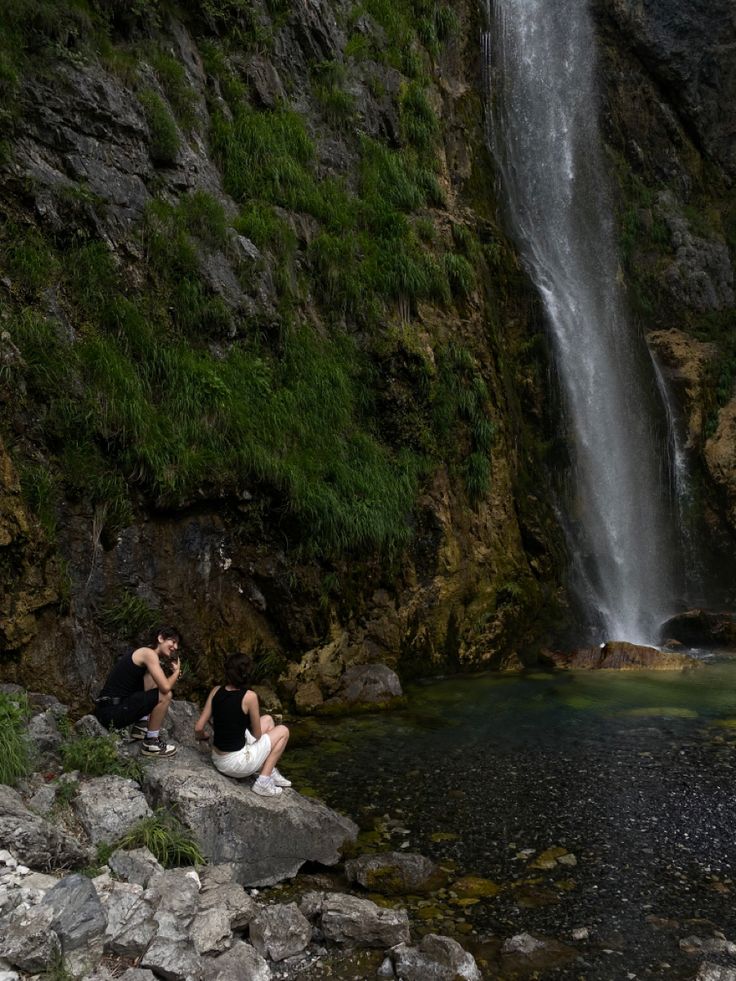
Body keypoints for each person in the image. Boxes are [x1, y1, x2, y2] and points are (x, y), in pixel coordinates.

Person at [194, 652, 290, 797]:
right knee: (283, 730)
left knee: (269, 720)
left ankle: (269, 769)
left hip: (217, 758)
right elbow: (257, 735)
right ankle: (263, 781)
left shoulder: (216, 691)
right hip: (236, 764)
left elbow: (198, 728)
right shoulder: (249, 696)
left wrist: (204, 736)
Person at [94, 625, 182, 758]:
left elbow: (157, 682)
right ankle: (151, 742)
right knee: (166, 695)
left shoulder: (145, 655)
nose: (175, 647)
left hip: (107, 710)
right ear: (160, 638)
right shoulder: (148, 654)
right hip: (112, 713)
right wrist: (176, 673)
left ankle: (141, 725)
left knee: (153, 677)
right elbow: (165, 688)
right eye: (173, 642)